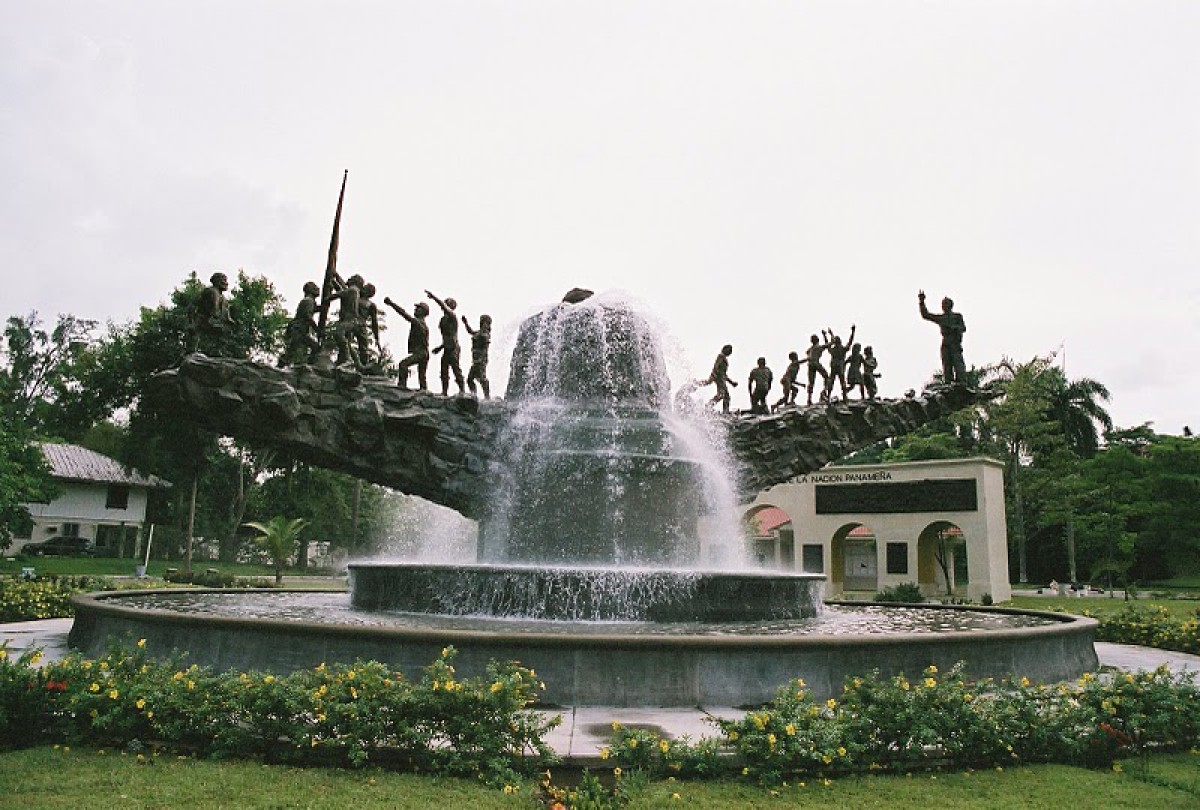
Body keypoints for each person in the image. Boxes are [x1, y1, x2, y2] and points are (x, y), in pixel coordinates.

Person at [919, 290, 967, 385]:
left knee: (958, 363)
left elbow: (963, 328)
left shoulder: (957, 316)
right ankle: (948, 382)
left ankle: (961, 382)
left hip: (955, 343)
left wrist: (955, 328)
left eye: (945, 304)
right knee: (947, 365)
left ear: (950, 305)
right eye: (943, 304)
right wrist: (922, 302)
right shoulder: (941, 318)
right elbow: (926, 315)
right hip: (946, 344)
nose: (943, 306)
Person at [383, 297, 430, 390]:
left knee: (403, 364)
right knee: (422, 375)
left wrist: (391, 303)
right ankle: (424, 390)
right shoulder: (423, 324)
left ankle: (402, 385)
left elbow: (404, 314)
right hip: (424, 353)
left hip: (420, 353)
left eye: (418, 308)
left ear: (423, 312)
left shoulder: (418, 322)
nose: (415, 309)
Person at [426, 290, 465, 396]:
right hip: (447, 347)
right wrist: (440, 347)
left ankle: (462, 390)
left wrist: (434, 297)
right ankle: (444, 391)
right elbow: (446, 338)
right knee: (444, 369)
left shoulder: (452, 317)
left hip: (454, 347)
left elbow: (452, 337)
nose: (444, 306)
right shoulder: (443, 320)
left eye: (447, 304)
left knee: (456, 369)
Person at [189, 271, 233, 354]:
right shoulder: (209, 291)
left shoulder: (224, 299)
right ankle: (192, 351)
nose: (226, 283)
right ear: (217, 281)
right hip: (202, 320)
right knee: (195, 335)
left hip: (213, 321)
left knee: (225, 330)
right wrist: (191, 321)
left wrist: (230, 321)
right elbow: (193, 305)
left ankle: (217, 350)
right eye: (224, 280)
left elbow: (226, 315)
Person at [279, 281, 320, 367]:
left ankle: (283, 365)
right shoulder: (308, 301)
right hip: (299, 330)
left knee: (292, 351)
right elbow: (307, 316)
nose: (318, 289)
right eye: (315, 287)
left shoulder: (309, 301)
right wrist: (317, 330)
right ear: (310, 290)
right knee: (314, 347)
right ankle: (309, 365)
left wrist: (322, 307)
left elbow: (313, 310)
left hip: (299, 330)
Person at [327, 274, 363, 367]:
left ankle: (348, 359)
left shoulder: (352, 290)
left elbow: (339, 293)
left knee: (338, 334)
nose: (349, 278)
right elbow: (342, 289)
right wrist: (335, 278)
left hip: (349, 320)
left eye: (351, 278)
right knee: (347, 343)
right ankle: (357, 363)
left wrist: (327, 297)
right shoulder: (353, 290)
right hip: (351, 320)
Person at [822, 324, 856, 401]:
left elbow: (828, 345)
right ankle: (844, 396)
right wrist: (853, 332)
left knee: (832, 380)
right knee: (842, 381)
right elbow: (850, 342)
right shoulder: (843, 349)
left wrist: (826, 336)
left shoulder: (833, 350)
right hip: (840, 366)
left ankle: (829, 395)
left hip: (834, 365)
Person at [462, 313, 492, 398]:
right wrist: (466, 323)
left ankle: (487, 396)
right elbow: (470, 331)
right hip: (475, 359)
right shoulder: (479, 333)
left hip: (481, 360)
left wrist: (481, 359)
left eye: (486, 323)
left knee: (482, 378)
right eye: (482, 322)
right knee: (470, 379)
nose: (484, 324)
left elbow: (485, 348)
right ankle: (474, 394)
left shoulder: (485, 334)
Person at [700, 344, 737, 413]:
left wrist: (731, 382)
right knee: (721, 395)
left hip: (721, 378)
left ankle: (725, 411)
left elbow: (724, 374)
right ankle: (709, 405)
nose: (730, 352)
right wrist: (713, 376)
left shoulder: (724, 358)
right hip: (718, 378)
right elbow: (716, 366)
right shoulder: (720, 356)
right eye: (729, 350)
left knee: (726, 396)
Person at [355, 282, 381, 368]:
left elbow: (374, 323)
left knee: (363, 348)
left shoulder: (370, 305)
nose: (362, 288)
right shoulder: (355, 296)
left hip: (361, 325)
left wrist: (377, 338)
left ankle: (363, 366)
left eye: (365, 288)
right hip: (351, 322)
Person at [804, 333, 830, 406]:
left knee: (811, 382)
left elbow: (807, 352)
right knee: (826, 376)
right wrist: (825, 335)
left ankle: (809, 399)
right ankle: (824, 391)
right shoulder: (818, 347)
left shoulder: (811, 348)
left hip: (810, 364)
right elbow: (828, 344)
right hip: (815, 363)